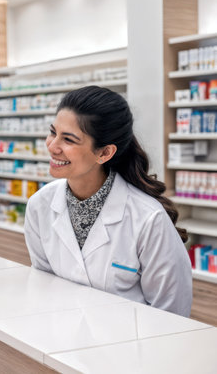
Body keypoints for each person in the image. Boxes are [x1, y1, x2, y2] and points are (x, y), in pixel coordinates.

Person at [24, 86, 192, 317]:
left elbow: (173, 314)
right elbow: (44, 285)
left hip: (132, 349)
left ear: (104, 153)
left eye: (69, 140)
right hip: (61, 345)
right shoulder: (39, 206)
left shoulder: (148, 218)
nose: (53, 146)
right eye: (53, 132)